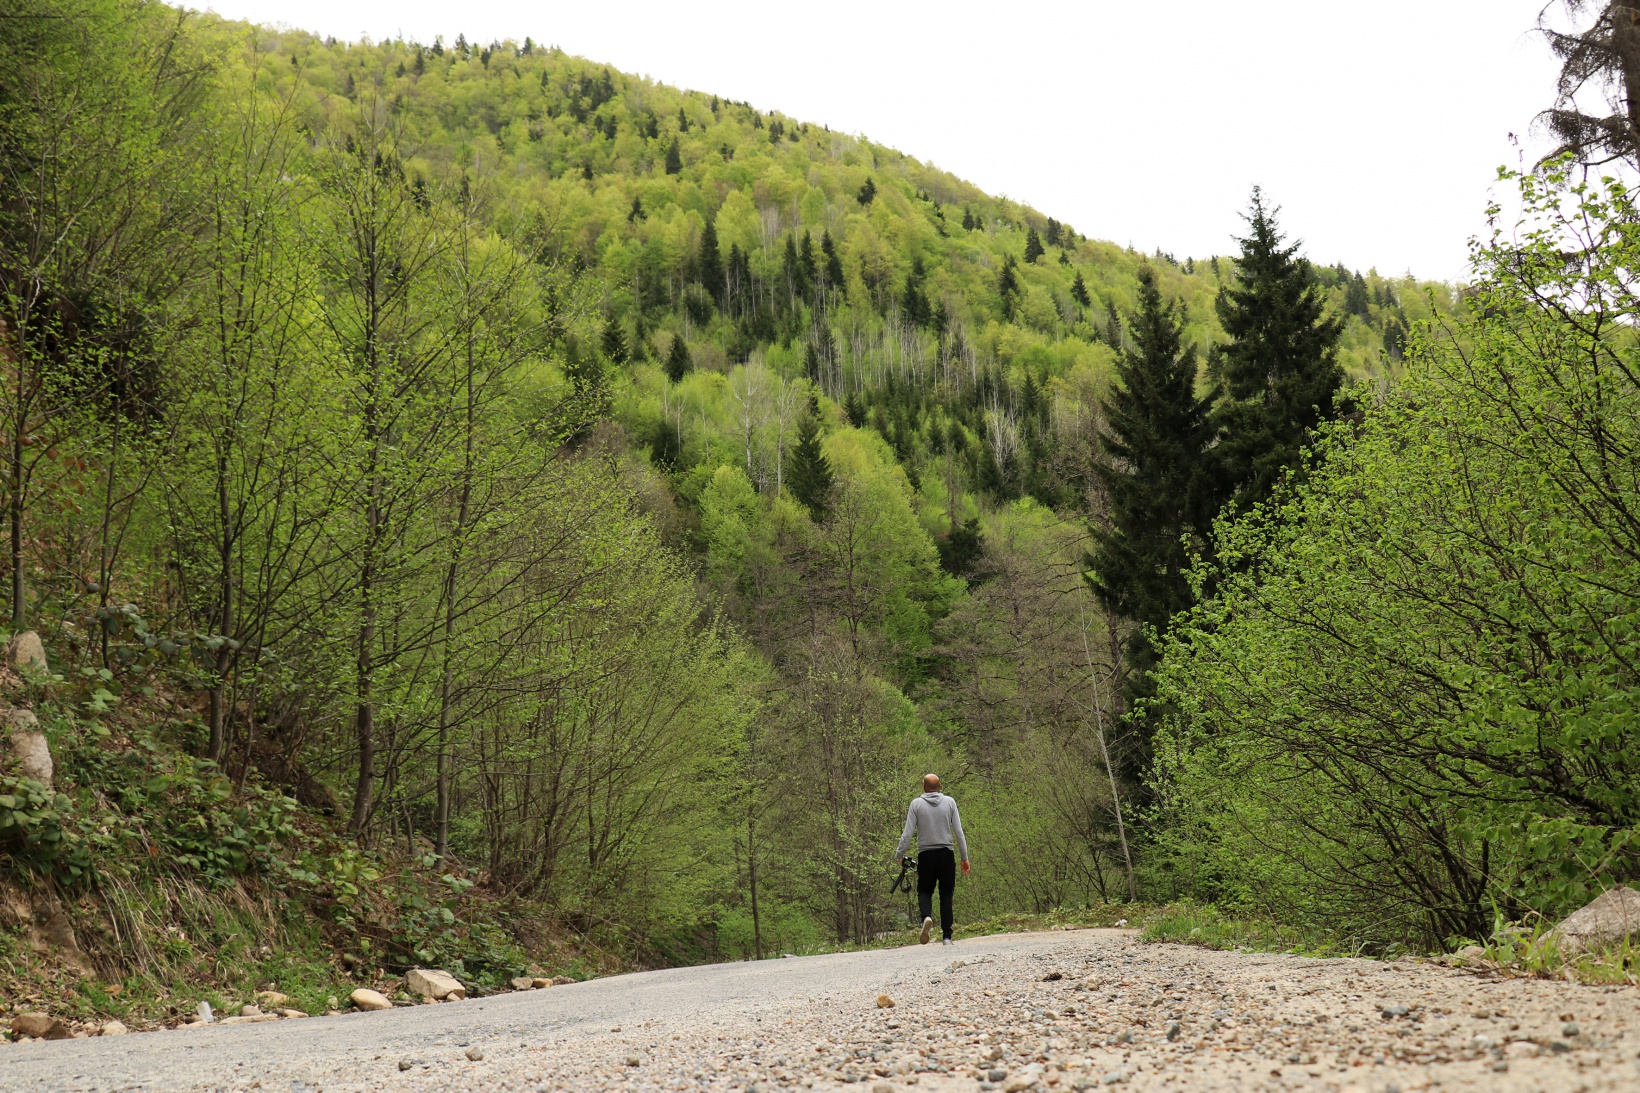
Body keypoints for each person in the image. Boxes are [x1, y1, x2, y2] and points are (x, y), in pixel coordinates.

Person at [894, 773, 970, 946]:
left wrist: (900, 854)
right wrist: (964, 857)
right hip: (946, 854)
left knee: (925, 891)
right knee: (946, 894)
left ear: (923, 787)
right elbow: (959, 832)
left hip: (926, 855)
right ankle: (947, 937)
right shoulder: (950, 802)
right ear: (940, 786)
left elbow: (907, 834)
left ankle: (926, 917)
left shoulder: (916, 804)